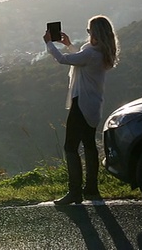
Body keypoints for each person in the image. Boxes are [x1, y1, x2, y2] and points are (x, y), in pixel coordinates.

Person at [43, 15, 120, 205]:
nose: (87, 34)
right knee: (89, 144)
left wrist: (49, 44)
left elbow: (63, 60)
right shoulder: (101, 52)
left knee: (70, 147)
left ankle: (74, 191)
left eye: (89, 31)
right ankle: (91, 188)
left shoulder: (92, 54)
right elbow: (79, 59)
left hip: (81, 104)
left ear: (94, 33)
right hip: (94, 104)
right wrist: (69, 45)